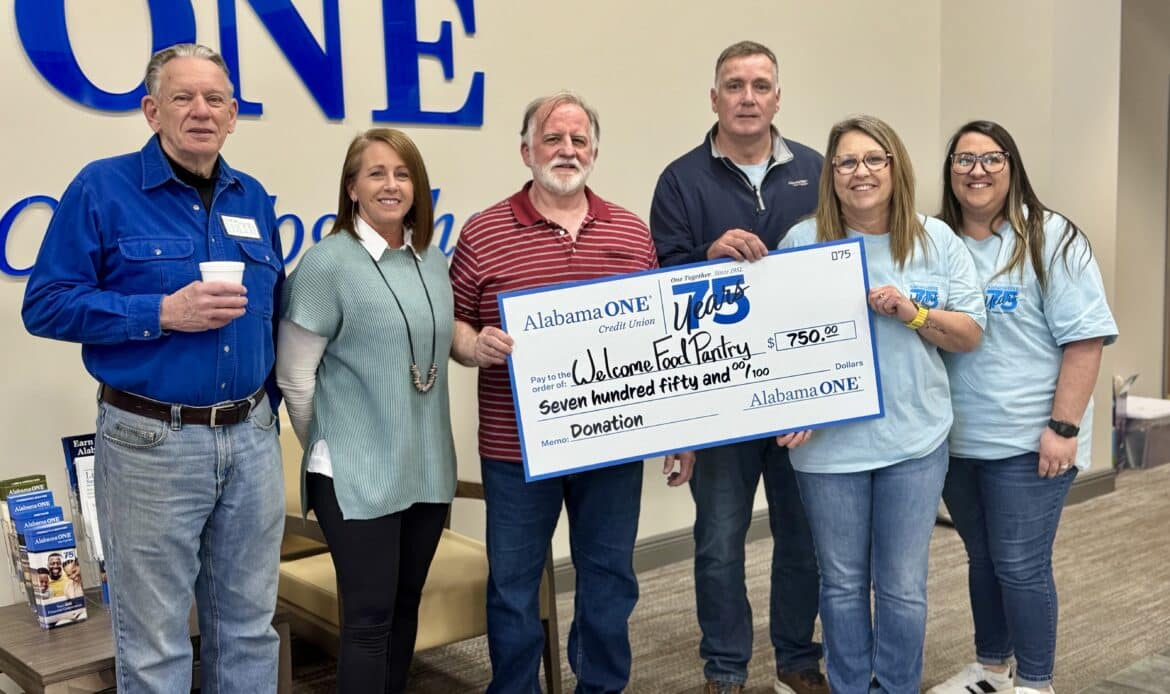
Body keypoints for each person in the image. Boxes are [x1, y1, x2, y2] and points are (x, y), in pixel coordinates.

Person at [22, 43, 285, 692]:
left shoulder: (253, 198)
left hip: (251, 440)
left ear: (232, 116)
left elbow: (273, 315)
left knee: (250, 631)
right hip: (151, 444)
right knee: (155, 645)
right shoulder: (101, 189)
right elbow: (46, 304)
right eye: (182, 97)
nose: (201, 110)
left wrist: (267, 414)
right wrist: (161, 312)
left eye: (215, 99)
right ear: (151, 111)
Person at [449, 91, 694, 693]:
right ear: (526, 150)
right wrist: (474, 345)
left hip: (612, 444)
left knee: (609, 579)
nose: (567, 150)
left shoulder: (630, 232)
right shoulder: (483, 232)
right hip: (516, 450)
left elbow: (661, 342)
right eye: (553, 138)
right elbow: (452, 324)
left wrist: (680, 430)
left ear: (595, 152)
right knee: (513, 585)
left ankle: (600, 686)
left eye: (578, 140)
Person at [778, 115, 986, 694]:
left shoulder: (934, 240)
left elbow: (970, 333)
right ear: (831, 174)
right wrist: (788, 406)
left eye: (874, 159)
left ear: (895, 167)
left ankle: (896, 686)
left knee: (901, 586)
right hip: (828, 449)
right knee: (842, 583)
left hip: (913, 442)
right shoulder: (801, 242)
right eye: (846, 162)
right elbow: (775, 346)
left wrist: (913, 313)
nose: (861, 172)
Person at [648, 40, 826, 694]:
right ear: (714, 98)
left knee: (802, 539)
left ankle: (796, 660)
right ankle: (725, 668)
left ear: (777, 98)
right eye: (734, 85)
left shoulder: (817, 170)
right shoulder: (680, 180)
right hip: (719, 398)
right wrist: (707, 256)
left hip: (796, 393)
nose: (747, 97)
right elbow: (660, 286)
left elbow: (840, 267)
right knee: (719, 542)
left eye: (760, 85)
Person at [928, 122, 1117, 694]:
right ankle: (990, 671)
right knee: (983, 559)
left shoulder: (1051, 237)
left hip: (1030, 440)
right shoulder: (936, 242)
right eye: (964, 159)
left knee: (1019, 563)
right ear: (950, 170)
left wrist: (1063, 427)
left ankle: (1036, 683)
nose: (977, 171)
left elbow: (1085, 339)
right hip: (958, 439)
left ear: (1012, 166)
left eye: (992, 158)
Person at [276, 128, 456, 693]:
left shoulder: (430, 260)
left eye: (403, 174)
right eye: (376, 173)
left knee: (405, 607)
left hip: (425, 468)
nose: (391, 184)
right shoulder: (326, 264)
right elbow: (294, 377)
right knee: (369, 619)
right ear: (351, 187)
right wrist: (337, 443)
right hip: (353, 474)